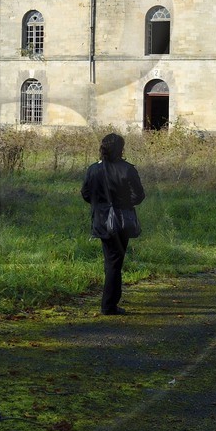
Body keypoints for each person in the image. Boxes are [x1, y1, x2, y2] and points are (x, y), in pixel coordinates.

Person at [80, 132, 146, 315]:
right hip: (122, 220)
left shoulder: (93, 169)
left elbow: (85, 193)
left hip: (101, 219)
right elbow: (139, 195)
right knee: (115, 262)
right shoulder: (127, 169)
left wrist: (100, 205)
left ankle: (109, 303)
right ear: (120, 149)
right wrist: (124, 204)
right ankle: (108, 306)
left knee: (111, 261)